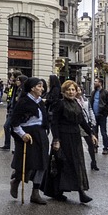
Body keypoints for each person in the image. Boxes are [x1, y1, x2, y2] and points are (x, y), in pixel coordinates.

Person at [45, 80, 97, 204]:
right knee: (62, 164)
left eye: (73, 89)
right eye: (68, 90)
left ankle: (81, 192)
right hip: (63, 137)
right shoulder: (60, 104)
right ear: (64, 91)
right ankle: (57, 191)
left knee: (77, 164)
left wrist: (91, 134)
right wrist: (56, 140)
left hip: (75, 137)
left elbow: (82, 121)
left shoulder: (76, 103)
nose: (71, 92)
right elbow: (54, 123)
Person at [9, 77, 50, 205]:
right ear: (32, 88)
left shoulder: (40, 102)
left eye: (42, 86)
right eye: (39, 86)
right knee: (27, 164)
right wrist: (22, 135)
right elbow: (14, 122)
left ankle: (35, 192)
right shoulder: (23, 102)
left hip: (40, 135)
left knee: (42, 164)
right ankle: (16, 180)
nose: (42, 89)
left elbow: (45, 119)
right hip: (28, 135)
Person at [76, 85, 98, 171]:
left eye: (79, 90)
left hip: (85, 123)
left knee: (90, 143)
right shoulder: (72, 101)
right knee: (77, 144)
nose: (78, 92)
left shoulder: (85, 100)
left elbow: (90, 110)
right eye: (76, 90)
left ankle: (93, 161)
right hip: (77, 124)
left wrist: (92, 120)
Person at [89, 77, 108, 155]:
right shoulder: (93, 92)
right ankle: (95, 146)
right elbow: (91, 102)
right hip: (94, 115)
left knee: (103, 132)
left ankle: (105, 148)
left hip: (101, 115)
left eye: (96, 81)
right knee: (94, 132)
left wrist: (105, 112)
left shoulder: (106, 93)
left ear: (100, 83)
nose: (94, 83)